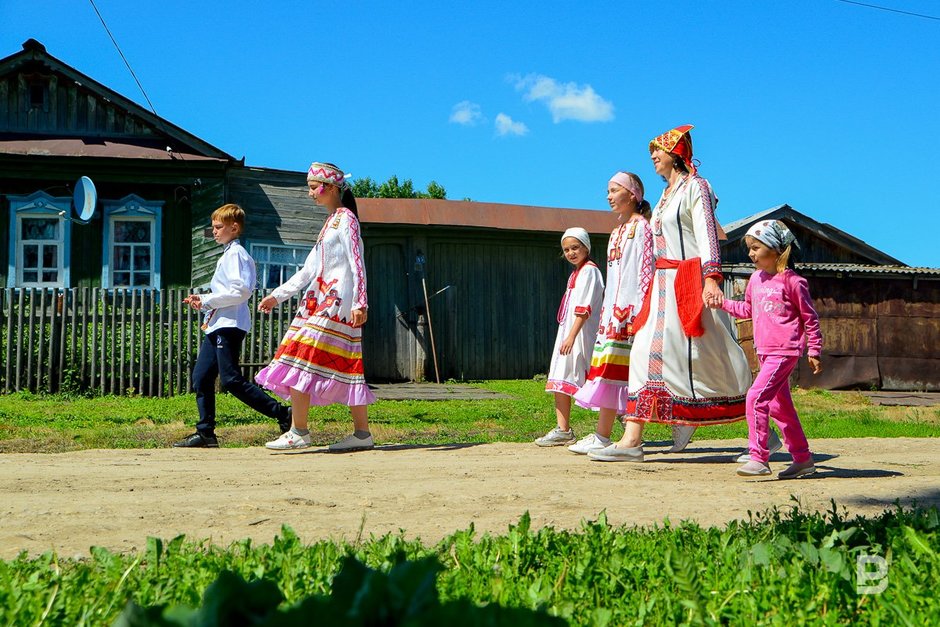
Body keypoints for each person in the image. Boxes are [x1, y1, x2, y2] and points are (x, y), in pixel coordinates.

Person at [590, 125, 752, 462]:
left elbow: (707, 234)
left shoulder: (697, 187)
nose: (652, 157)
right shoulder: (664, 197)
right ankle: (633, 437)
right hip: (662, 286)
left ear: (676, 153)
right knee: (646, 354)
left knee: (717, 355)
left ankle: (762, 430)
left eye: (657, 151)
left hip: (689, 281)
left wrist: (711, 277)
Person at [255, 162, 376, 452]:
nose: (310, 194)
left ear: (331, 188)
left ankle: (299, 430)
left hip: (337, 306)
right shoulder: (330, 222)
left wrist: (360, 301)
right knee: (346, 365)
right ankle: (362, 435)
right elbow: (309, 271)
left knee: (298, 354)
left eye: (313, 187)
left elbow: (356, 261)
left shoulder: (346, 219)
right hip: (320, 303)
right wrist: (278, 295)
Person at [710, 219, 822, 478]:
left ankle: (759, 457)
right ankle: (803, 458)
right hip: (765, 352)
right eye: (750, 248)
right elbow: (748, 309)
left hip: (785, 351)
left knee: (756, 397)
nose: (751, 253)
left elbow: (809, 318)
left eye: (756, 247)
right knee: (780, 407)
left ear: (776, 249)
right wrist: (722, 304)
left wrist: (814, 350)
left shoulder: (793, 282)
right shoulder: (756, 279)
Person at [173, 204, 292, 448]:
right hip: (218, 325)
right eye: (214, 227)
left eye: (218, 227)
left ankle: (283, 414)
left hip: (229, 325)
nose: (214, 231)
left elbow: (240, 291)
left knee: (230, 379)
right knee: (202, 376)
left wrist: (206, 299)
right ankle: (206, 432)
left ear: (234, 228)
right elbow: (227, 292)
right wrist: (204, 302)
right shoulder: (228, 254)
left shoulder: (237, 255)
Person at [568, 172, 653, 454]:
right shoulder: (617, 230)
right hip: (613, 316)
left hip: (632, 314)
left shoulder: (642, 227)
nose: (609, 196)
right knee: (609, 374)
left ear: (632, 195)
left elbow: (645, 272)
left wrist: (641, 310)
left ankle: (670, 427)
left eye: (615, 190)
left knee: (634, 376)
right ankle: (603, 435)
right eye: (608, 191)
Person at [534, 228, 604, 447]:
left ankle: (620, 425)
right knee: (561, 377)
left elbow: (585, 308)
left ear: (586, 247)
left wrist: (572, 336)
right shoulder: (577, 273)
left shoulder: (590, 271)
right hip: (569, 333)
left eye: (575, 247)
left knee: (597, 380)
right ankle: (563, 429)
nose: (571, 253)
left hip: (581, 334)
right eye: (567, 249)